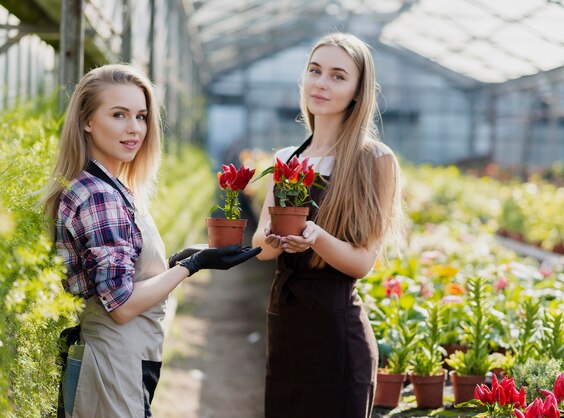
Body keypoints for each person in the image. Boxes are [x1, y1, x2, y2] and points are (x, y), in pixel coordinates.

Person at [42, 63, 260, 418]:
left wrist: (175, 262)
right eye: (119, 115)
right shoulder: (99, 196)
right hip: (111, 361)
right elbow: (122, 304)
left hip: (123, 357)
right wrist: (191, 267)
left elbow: (121, 277)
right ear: (86, 121)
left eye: (141, 116)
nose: (134, 129)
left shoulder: (110, 187)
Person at [252, 33, 403, 418]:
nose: (321, 83)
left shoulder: (374, 161)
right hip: (285, 324)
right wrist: (274, 238)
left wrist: (315, 237)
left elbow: (362, 263)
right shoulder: (287, 159)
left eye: (338, 76)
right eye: (315, 71)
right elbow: (262, 248)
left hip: (336, 335)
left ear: (357, 92)